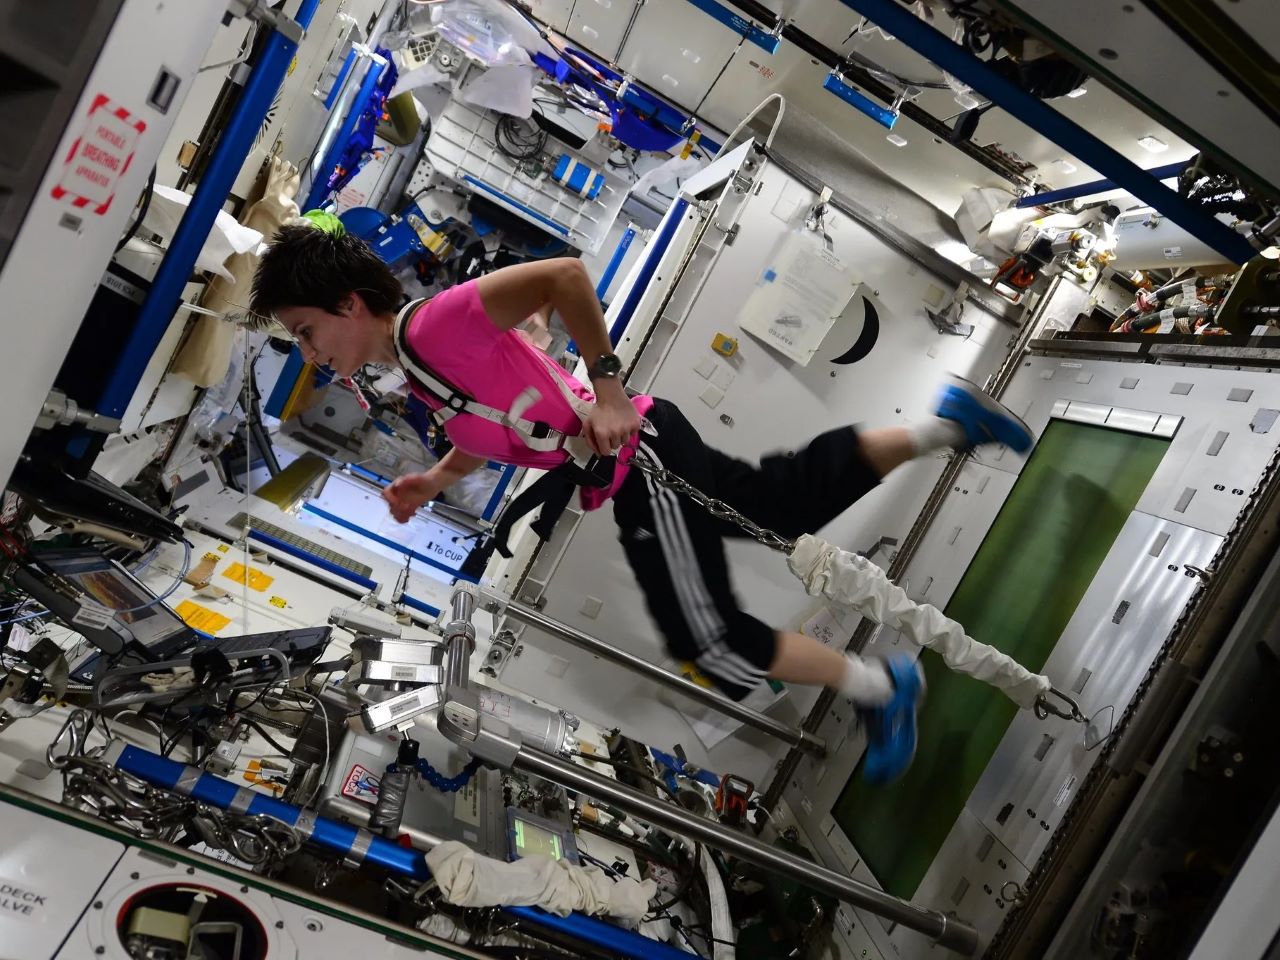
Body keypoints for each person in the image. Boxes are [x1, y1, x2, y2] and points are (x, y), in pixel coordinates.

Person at [247, 219, 1034, 782]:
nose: (311, 354)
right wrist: (434, 480)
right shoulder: (417, 371)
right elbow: (493, 427)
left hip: (640, 457)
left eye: (307, 332)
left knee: (711, 640)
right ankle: (947, 427)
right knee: (781, 499)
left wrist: (610, 387)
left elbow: (565, 276)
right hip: (636, 458)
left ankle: (879, 687)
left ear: (350, 305)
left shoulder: (434, 328)